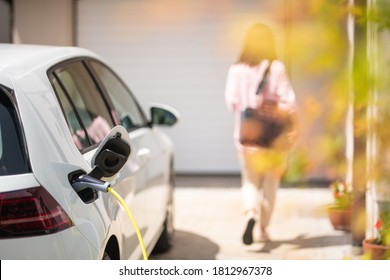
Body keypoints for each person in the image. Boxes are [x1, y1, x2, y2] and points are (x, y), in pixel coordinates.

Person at [224, 22, 298, 245]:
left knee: (250, 181)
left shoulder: (236, 70)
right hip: (274, 138)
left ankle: (250, 214)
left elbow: (231, 103)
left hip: (247, 137)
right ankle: (263, 229)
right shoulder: (276, 68)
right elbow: (290, 103)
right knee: (270, 185)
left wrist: (249, 101)